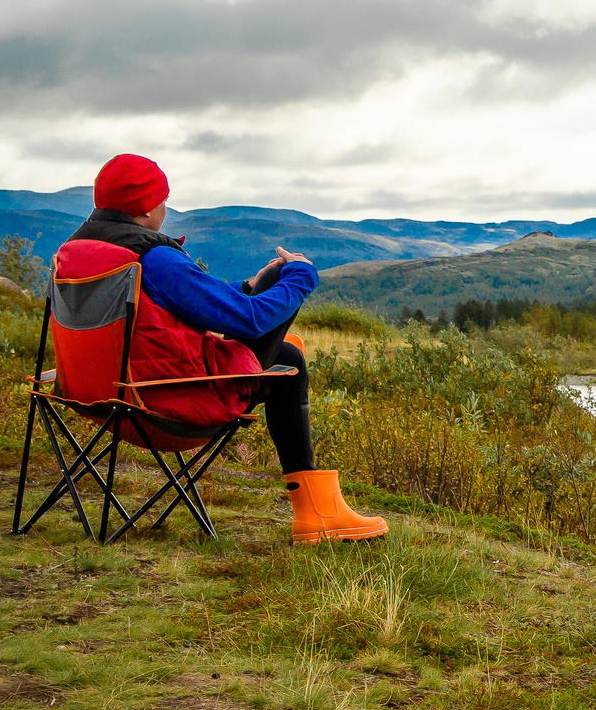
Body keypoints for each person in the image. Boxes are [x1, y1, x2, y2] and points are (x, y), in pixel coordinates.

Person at [55, 152, 387, 544]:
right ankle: (317, 513)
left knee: (282, 357)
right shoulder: (153, 257)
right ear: (147, 208)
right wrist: (299, 278)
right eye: (163, 199)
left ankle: (318, 512)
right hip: (162, 404)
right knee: (288, 360)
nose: (165, 208)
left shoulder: (76, 251)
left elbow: (175, 305)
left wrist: (248, 286)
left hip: (93, 394)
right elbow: (249, 321)